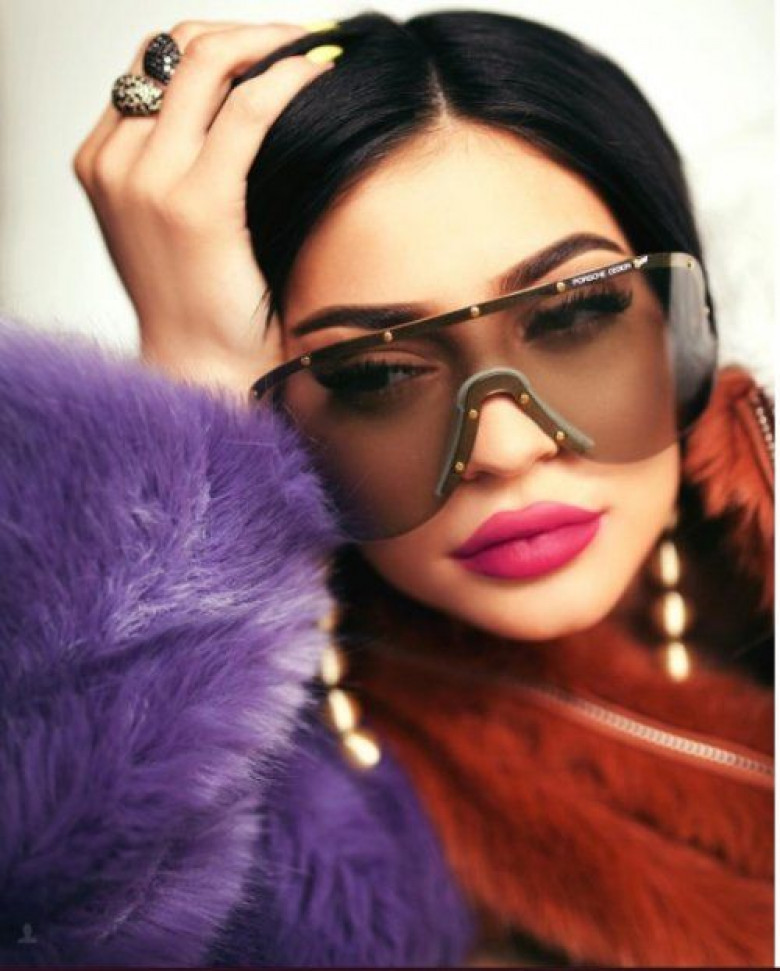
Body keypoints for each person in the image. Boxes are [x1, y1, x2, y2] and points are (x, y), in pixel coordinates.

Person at [0, 9, 773, 967]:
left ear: (683, 312)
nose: (504, 448)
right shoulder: (312, 813)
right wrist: (189, 398)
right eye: (377, 375)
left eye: (574, 316)